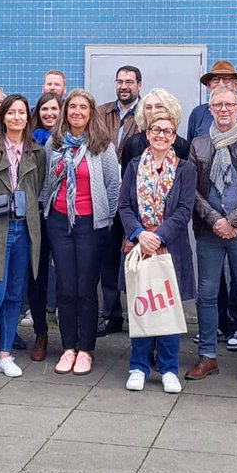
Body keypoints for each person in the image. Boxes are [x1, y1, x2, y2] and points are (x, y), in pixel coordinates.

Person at [187, 85, 237, 388]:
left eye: (229, 104)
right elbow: (192, 190)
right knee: (207, 295)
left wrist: (231, 220)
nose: (223, 109)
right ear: (209, 110)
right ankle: (207, 356)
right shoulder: (198, 145)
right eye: (217, 105)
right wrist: (215, 220)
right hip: (209, 231)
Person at [43, 89, 120, 375]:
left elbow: (114, 185)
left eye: (83, 108)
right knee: (65, 286)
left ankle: (85, 350)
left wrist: (106, 218)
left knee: (86, 287)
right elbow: (47, 183)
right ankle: (67, 348)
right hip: (60, 222)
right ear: (66, 111)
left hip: (91, 223)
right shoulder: (56, 142)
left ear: (91, 113)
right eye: (72, 107)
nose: (77, 112)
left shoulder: (102, 145)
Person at [119, 109, 196, 393]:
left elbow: (184, 210)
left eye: (167, 131)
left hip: (170, 247)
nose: (161, 135)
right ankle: (137, 366)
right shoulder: (134, 166)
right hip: (140, 247)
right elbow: (124, 206)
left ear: (174, 137)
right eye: (156, 130)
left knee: (167, 310)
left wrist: (159, 235)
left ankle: (168, 369)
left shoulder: (186, 169)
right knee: (142, 306)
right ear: (147, 134)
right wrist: (140, 234)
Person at [0, 95, 45, 378]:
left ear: (28, 117)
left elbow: (36, 190)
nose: (17, 117)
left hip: (23, 229)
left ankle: (5, 354)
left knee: (15, 295)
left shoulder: (36, 152)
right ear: (2, 116)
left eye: (22, 113)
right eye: (11, 112)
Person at [95, 65, 142, 337]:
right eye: (120, 81)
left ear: (139, 85)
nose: (124, 86)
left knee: (137, 256)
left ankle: (140, 315)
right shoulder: (101, 113)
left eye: (129, 82)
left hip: (137, 198)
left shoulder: (146, 111)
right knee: (108, 260)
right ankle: (112, 315)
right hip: (106, 193)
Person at [25, 92, 63, 361]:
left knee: (68, 274)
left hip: (64, 215)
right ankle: (41, 332)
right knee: (36, 276)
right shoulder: (31, 140)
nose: (49, 113)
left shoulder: (72, 139)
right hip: (37, 215)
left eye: (54, 108)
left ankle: (72, 337)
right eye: (44, 109)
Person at [185, 60, 237, 139]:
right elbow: (191, 148)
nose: (220, 83)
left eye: (226, 79)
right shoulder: (198, 113)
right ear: (209, 86)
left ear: (235, 85)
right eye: (215, 79)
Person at [119, 88, 191, 167]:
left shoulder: (182, 146)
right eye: (148, 107)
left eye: (159, 107)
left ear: (170, 110)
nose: (153, 111)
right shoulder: (132, 144)